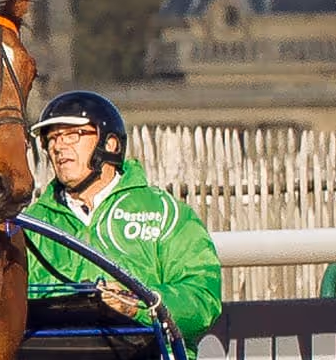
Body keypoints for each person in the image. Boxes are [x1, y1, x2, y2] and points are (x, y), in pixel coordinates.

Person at [20, 90, 223, 344]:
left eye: (72, 135)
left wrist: (136, 303)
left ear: (110, 143)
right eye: (51, 139)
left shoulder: (164, 213)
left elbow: (202, 299)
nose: (58, 146)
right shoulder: (29, 224)